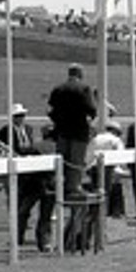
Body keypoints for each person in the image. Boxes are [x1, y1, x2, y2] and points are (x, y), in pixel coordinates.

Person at [0, 104, 53, 252]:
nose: (20, 118)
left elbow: (30, 147)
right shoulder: (5, 131)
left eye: (22, 115)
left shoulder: (29, 130)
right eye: (17, 116)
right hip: (20, 170)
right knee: (22, 207)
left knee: (35, 210)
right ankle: (18, 236)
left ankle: (41, 239)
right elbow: (3, 147)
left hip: (33, 175)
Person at [46, 63, 97, 197]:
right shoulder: (84, 88)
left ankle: (59, 186)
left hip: (62, 132)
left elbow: (50, 110)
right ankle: (74, 188)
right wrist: (89, 119)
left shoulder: (58, 89)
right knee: (76, 162)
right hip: (79, 133)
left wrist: (58, 121)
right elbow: (92, 109)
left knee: (62, 161)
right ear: (80, 74)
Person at [88, 120, 127, 219]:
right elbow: (120, 157)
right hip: (108, 168)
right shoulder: (115, 140)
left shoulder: (95, 139)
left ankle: (95, 213)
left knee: (95, 191)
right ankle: (104, 214)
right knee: (106, 192)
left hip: (94, 168)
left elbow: (89, 156)